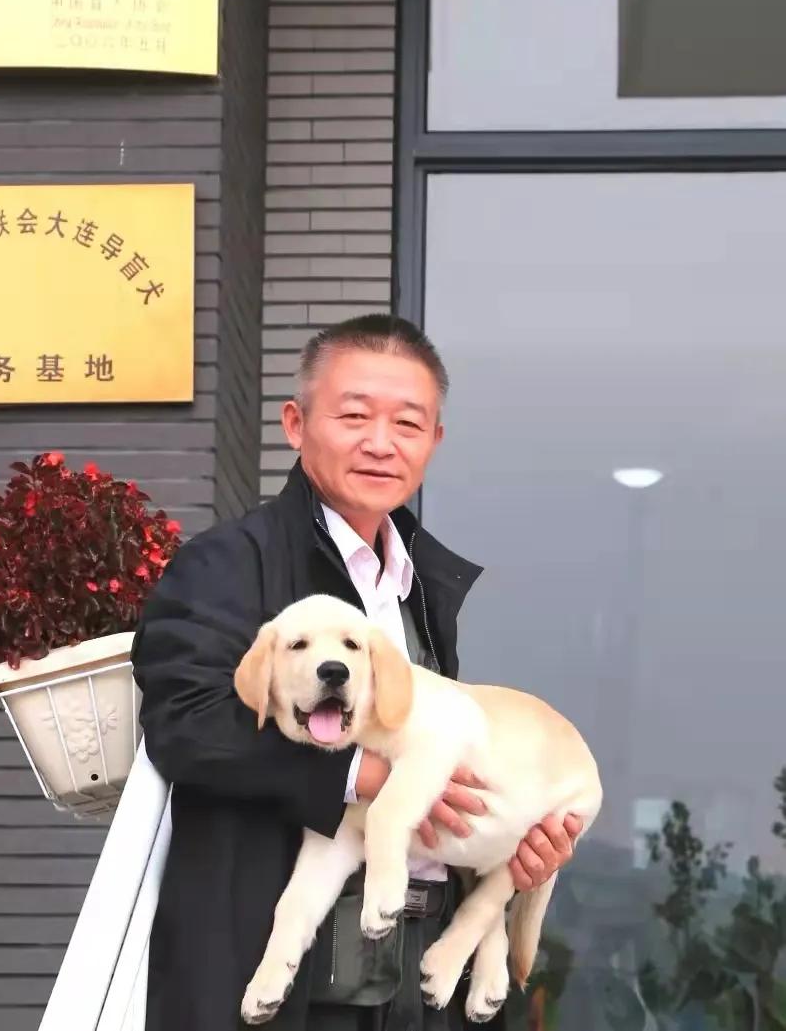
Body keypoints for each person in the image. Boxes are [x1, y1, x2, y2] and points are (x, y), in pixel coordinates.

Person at [131, 314, 581, 1031]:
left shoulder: (420, 590)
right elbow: (184, 724)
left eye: (407, 423)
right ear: (295, 423)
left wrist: (515, 841)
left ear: (434, 441)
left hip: (422, 978)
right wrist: (366, 774)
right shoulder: (228, 564)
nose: (380, 442)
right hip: (289, 988)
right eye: (353, 415)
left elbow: (446, 792)